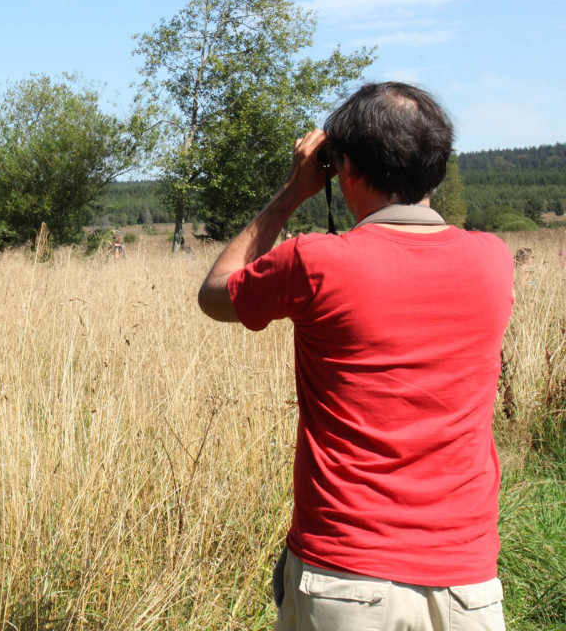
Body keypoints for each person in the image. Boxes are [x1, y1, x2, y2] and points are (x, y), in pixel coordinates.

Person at [196, 83, 514, 631]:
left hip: (346, 572)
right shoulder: (493, 261)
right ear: (437, 169)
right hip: (467, 581)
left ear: (344, 170)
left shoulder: (315, 262)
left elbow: (215, 293)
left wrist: (293, 192)